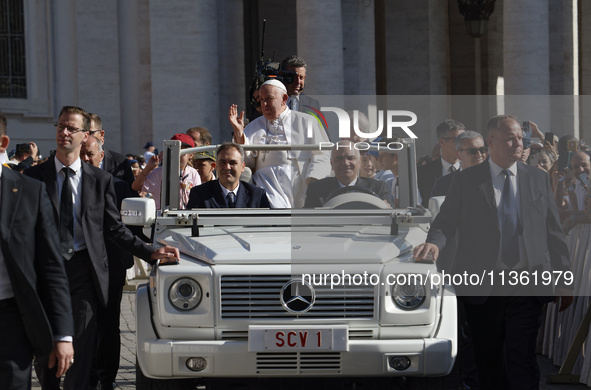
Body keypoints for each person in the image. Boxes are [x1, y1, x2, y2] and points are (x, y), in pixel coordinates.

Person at [25, 106, 180, 390]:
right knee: (46, 351)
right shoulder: (33, 178)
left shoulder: (100, 181)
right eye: (61, 126)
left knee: (82, 353)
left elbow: (113, 228)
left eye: (72, 128)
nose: (64, 132)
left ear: (85, 135)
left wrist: (149, 250)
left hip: (84, 273)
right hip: (44, 274)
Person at [413, 114, 573, 389]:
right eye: (510, 139)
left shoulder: (537, 179)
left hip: (527, 283)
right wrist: (434, 243)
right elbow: (446, 221)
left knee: (521, 356)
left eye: (520, 139)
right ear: (491, 142)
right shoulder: (466, 181)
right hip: (484, 286)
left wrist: (564, 278)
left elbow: (553, 231)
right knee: (488, 359)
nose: (518, 144)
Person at [0, 113, 74, 390]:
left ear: (2, 143)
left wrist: (63, 335)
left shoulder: (29, 191)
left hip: (10, 321)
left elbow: (51, 267)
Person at [80, 135, 134, 389]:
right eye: (82, 154)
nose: (85, 159)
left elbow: (124, 230)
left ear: (102, 156)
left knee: (108, 324)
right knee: (83, 324)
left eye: (90, 154)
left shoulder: (119, 186)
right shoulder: (68, 183)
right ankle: (86, 376)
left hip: (111, 265)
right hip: (80, 266)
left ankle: (108, 378)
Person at [233, 79, 330, 208]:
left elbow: (322, 154)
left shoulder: (307, 121)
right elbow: (247, 163)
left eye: (269, 99)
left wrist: (314, 181)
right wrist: (240, 135)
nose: (264, 104)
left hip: (299, 182)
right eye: (261, 100)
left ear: (284, 98)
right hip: (265, 182)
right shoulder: (253, 126)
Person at [304, 141, 389, 208]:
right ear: (331, 164)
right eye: (339, 159)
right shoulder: (316, 190)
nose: (345, 163)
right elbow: (308, 222)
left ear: (359, 162)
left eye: (350, 158)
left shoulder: (378, 189)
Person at [187, 143, 270, 209]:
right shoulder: (199, 194)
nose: (227, 167)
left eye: (233, 163)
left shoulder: (257, 195)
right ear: (216, 166)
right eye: (222, 162)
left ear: (242, 167)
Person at [132, 133, 201, 209]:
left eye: (182, 153)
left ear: (191, 155)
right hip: (162, 216)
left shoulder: (193, 173)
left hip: (186, 216)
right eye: (174, 151)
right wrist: (148, 168)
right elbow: (136, 187)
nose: (177, 156)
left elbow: (198, 197)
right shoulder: (159, 173)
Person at [417, 119, 465, 207]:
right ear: (442, 142)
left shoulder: (471, 170)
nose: (462, 145)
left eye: (464, 140)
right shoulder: (422, 173)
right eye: (457, 140)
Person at [430, 131, 487, 197]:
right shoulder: (443, 184)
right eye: (473, 151)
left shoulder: (494, 178)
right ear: (459, 155)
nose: (479, 154)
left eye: (482, 150)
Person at [88, 113, 135, 188]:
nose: (85, 137)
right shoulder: (69, 163)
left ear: (101, 134)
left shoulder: (121, 162)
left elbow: (130, 196)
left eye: (90, 133)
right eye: (82, 132)